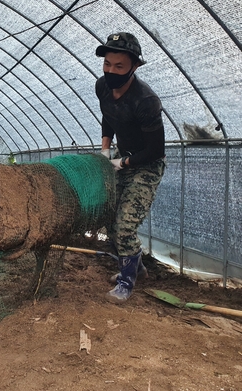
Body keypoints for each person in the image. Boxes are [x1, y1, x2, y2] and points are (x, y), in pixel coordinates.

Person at [95, 32, 166, 304]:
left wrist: (121, 162)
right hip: (121, 157)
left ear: (134, 66)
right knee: (109, 220)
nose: (111, 71)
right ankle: (135, 266)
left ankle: (126, 281)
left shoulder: (146, 100)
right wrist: (105, 150)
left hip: (146, 165)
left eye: (119, 66)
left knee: (125, 226)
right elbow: (108, 116)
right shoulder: (102, 86)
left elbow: (155, 150)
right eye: (107, 64)